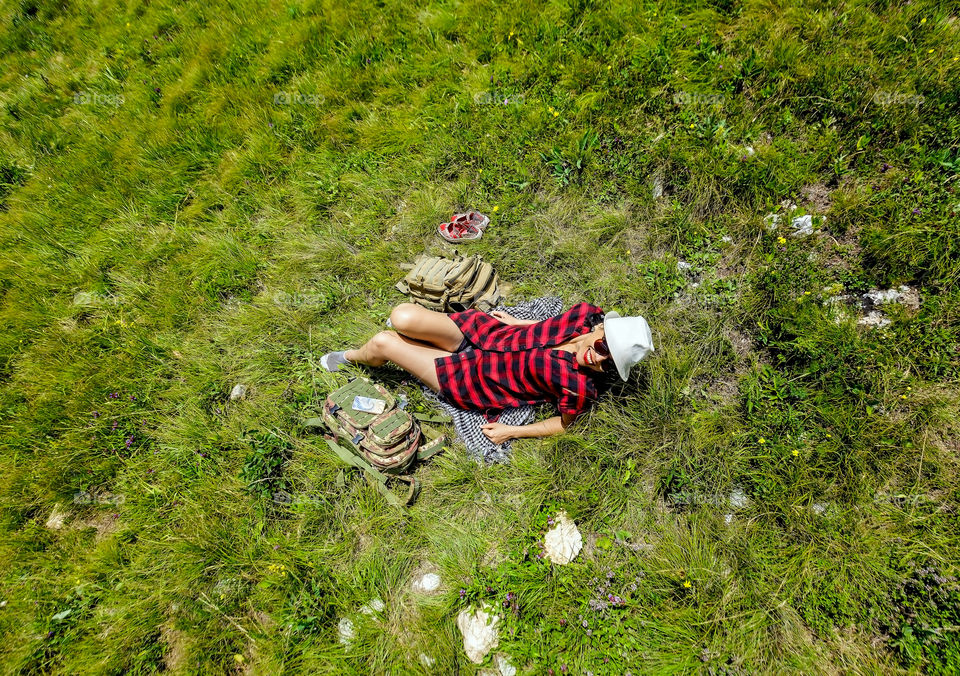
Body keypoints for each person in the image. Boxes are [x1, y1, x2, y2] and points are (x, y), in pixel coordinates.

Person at [320, 302, 654, 444]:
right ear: (601, 331)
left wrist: (512, 432)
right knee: (402, 315)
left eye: (610, 365)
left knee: (383, 342)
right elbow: (546, 327)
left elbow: (565, 425)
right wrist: (518, 323)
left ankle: (354, 358)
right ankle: (409, 342)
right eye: (603, 348)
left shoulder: (579, 385)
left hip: (473, 378)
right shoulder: (585, 315)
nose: (598, 360)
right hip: (487, 334)